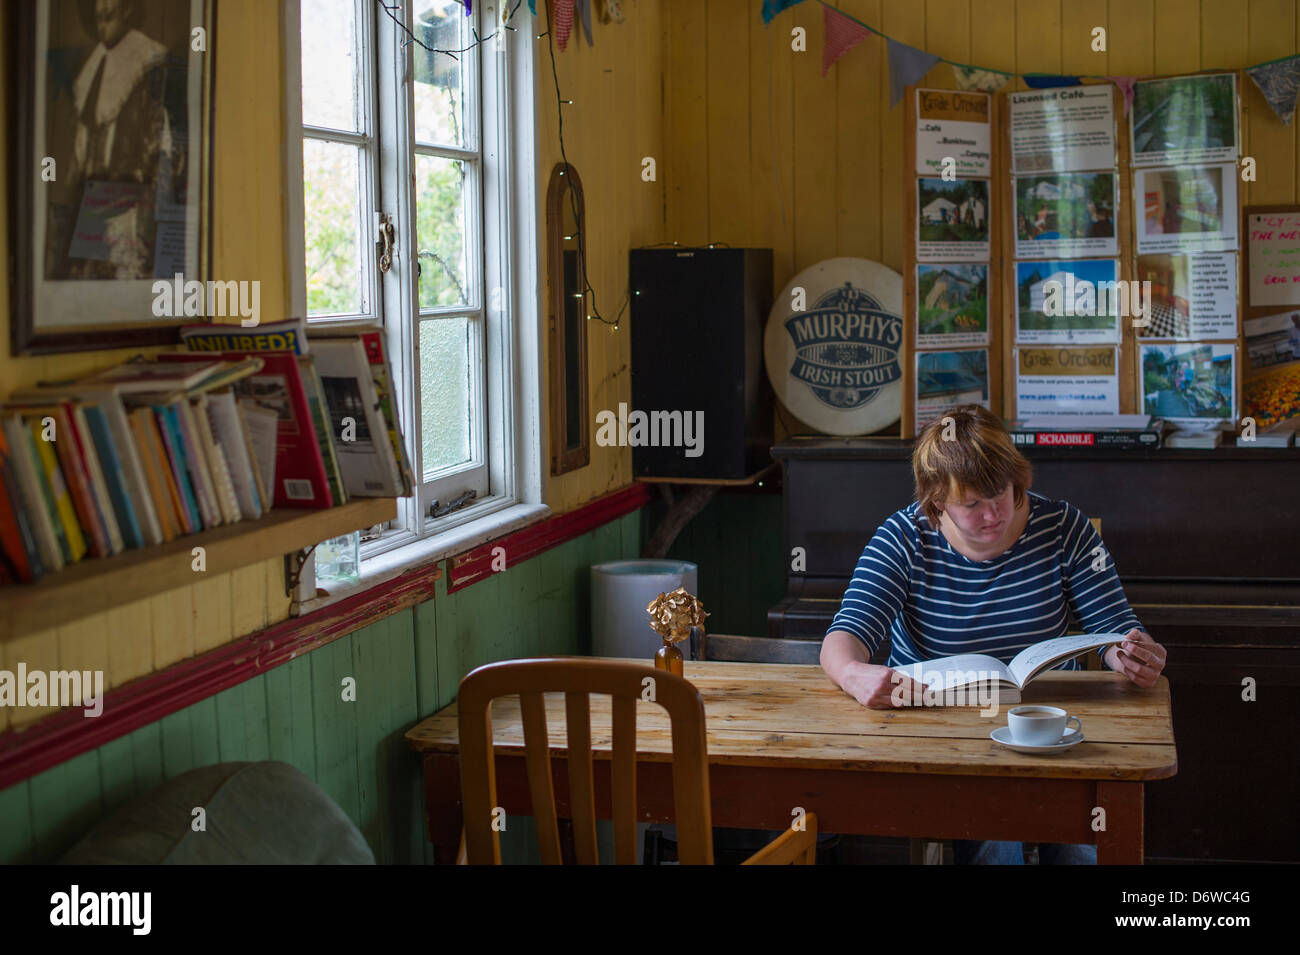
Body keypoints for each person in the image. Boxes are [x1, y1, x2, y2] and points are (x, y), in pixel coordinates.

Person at [819, 404, 1168, 865]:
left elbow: (1113, 626)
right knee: (990, 837)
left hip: (1049, 724)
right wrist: (854, 675)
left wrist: (1128, 654)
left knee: (1082, 839)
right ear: (938, 499)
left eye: (1000, 494)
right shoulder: (904, 537)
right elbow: (844, 637)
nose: (992, 515)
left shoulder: (1064, 528)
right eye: (972, 504)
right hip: (948, 730)